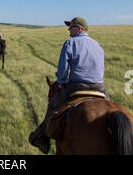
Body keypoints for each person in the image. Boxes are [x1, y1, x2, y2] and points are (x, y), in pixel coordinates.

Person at [29, 17, 109, 155]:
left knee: (54, 104)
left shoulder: (70, 43)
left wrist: (61, 81)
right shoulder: (98, 45)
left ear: (78, 28)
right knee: (109, 106)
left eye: (71, 27)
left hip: (77, 85)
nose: (68, 29)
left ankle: (43, 136)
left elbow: (62, 70)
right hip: (99, 87)